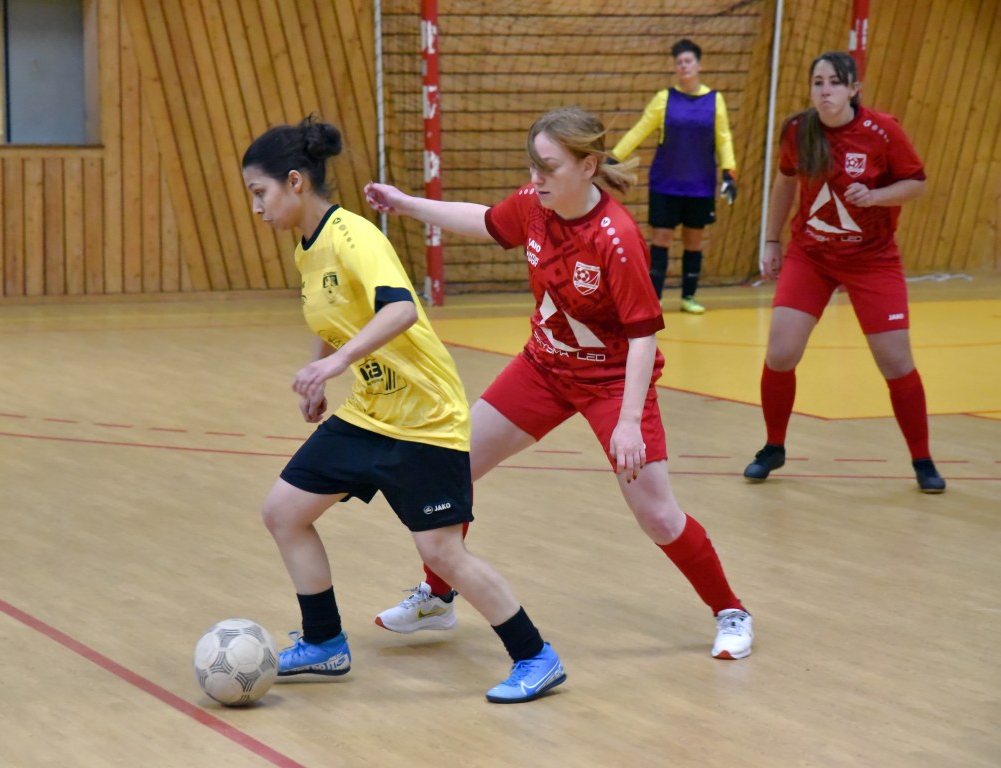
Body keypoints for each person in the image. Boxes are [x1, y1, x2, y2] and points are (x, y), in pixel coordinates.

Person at [364, 107, 754, 661]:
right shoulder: (534, 205)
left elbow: (643, 336)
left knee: (657, 514)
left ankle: (731, 611)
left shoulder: (616, 237)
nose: (536, 177)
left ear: (587, 166)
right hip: (544, 368)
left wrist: (628, 422)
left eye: (548, 166)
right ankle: (438, 595)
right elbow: (484, 219)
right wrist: (405, 202)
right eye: (533, 165)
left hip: (611, 382)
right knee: (452, 466)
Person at [243, 116, 566, 704]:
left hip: (425, 419)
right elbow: (335, 317)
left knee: (441, 551)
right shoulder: (306, 249)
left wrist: (335, 366)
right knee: (284, 512)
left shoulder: (355, 236)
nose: (257, 207)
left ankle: (535, 656)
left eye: (260, 192)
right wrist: (319, 372)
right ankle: (323, 643)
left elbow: (400, 311)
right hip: (371, 412)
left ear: (295, 181)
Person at [743, 51, 945, 494]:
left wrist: (876, 197)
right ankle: (773, 447)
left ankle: (922, 458)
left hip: (872, 258)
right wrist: (772, 240)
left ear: (854, 89)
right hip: (811, 256)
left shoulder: (882, 130)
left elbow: (918, 184)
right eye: (818, 82)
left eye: (835, 82)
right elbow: (785, 182)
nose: (825, 90)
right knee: (781, 352)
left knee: (896, 361)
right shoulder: (798, 130)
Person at [610, 39, 737, 315]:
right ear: (675, 68)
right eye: (679, 62)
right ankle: (653, 299)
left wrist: (729, 171)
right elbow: (639, 130)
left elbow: (724, 138)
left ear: (699, 65)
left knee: (694, 241)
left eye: (688, 61)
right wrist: (615, 157)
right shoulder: (664, 99)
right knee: (661, 238)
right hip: (666, 183)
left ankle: (688, 297)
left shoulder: (715, 100)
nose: (684, 66)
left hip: (700, 185)